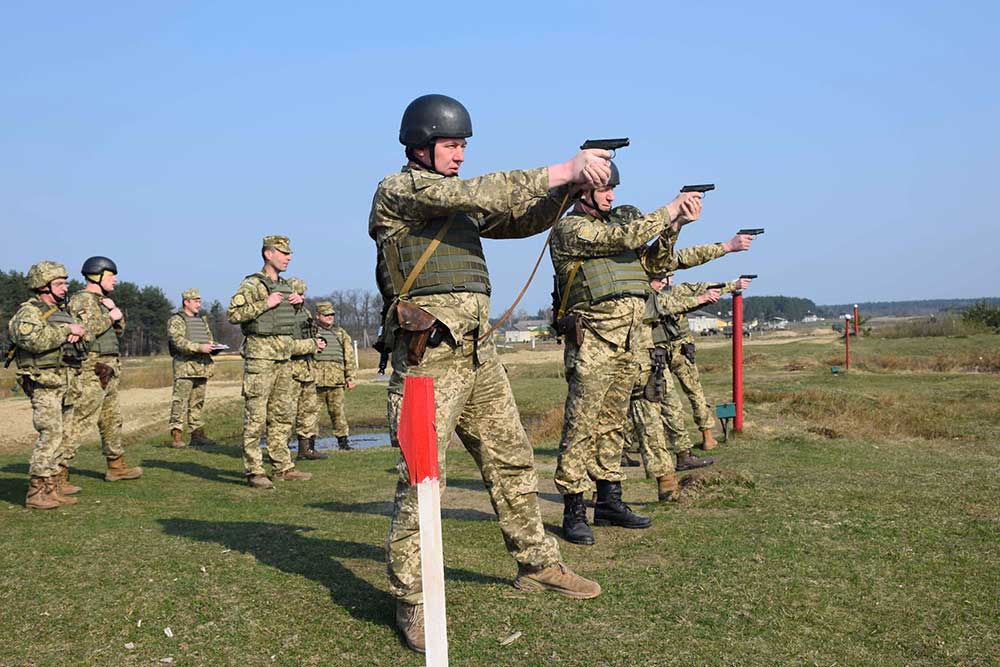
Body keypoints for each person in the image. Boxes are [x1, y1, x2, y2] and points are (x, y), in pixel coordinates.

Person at [370, 93, 607, 653]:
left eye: (463, 147)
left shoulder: (455, 200)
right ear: (420, 147)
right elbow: (481, 192)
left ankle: (538, 564)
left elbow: (515, 218)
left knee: (512, 459)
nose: (459, 155)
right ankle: (413, 598)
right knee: (423, 481)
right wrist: (561, 168)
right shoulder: (399, 190)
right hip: (429, 361)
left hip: (478, 355)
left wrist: (564, 194)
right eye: (451, 146)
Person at [549, 163, 702, 546]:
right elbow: (626, 236)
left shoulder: (616, 234)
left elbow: (657, 264)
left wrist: (676, 225)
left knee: (613, 426)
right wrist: (668, 208)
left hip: (629, 344)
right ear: (581, 192)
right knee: (581, 427)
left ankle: (608, 500)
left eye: (613, 190)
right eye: (604, 189)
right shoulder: (572, 230)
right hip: (594, 344)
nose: (611, 196)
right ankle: (573, 508)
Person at [226, 236, 314, 488]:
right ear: (268, 254)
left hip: (284, 356)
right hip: (260, 357)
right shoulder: (252, 284)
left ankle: (282, 467)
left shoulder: (286, 286)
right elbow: (233, 314)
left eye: (289, 253)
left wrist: (298, 303)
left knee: (282, 415)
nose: (288, 257)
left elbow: (285, 318)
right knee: (256, 417)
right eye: (283, 253)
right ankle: (254, 471)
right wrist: (266, 302)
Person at [8, 261, 87, 508]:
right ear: (43, 287)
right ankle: (36, 492)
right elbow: (32, 339)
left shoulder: (62, 312)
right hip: (44, 383)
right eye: (59, 284)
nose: (65, 288)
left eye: (65, 282)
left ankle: (51, 488)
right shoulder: (29, 313)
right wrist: (66, 332)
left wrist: (80, 331)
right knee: (50, 435)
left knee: (62, 436)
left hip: (65, 382)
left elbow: (85, 336)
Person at [65, 256, 143, 482]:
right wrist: (110, 316)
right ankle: (57, 472)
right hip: (92, 369)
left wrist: (114, 313)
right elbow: (83, 331)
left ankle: (116, 466)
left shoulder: (101, 301)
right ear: (96, 276)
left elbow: (115, 333)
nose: (116, 280)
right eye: (111, 275)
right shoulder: (83, 300)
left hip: (108, 369)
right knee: (80, 420)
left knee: (111, 420)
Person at [662, 274, 753, 451]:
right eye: (670, 275)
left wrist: (732, 285)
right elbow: (706, 288)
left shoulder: (648, 295)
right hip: (680, 349)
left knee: (662, 397)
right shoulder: (677, 292)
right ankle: (707, 437)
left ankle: (674, 443)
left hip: (660, 350)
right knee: (695, 394)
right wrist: (733, 285)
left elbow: (705, 288)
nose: (671, 279)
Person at [166, 288, 217, 448]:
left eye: (199, 301)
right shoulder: (176, 320)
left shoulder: (202, 320)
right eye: (195, 301)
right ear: (186, 302)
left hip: (202, 368)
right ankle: (177, 436)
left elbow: (208, 339)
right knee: (179, 402)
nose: (198, 304)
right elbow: (178, 341)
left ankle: (197, 435)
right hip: (185, 368)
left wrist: (213, 347)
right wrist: (199, 347)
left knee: (197, 402)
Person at [286, 278, 327, 461]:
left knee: (308, 410)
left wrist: (320, 342)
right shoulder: (281, 315)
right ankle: (281, 452)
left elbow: (312, 333)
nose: (300, 298)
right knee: (286, 412)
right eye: (298, 294)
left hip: (308, 369)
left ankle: (306, 448)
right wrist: (311, 345)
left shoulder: (305, 313)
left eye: (303, 295)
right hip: (290, 371)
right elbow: (283, 345)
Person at [313, 301, 356, 450]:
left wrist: (349, 377)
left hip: (336, 381)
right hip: (315, 381)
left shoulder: (340, 333)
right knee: (311, 414)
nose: (330, 317)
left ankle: (343, 443)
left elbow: (348, 356)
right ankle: (309, 445)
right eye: (326, 315)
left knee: (338, 413)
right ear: (318, 316)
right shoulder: (310, 332)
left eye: (332, 314)